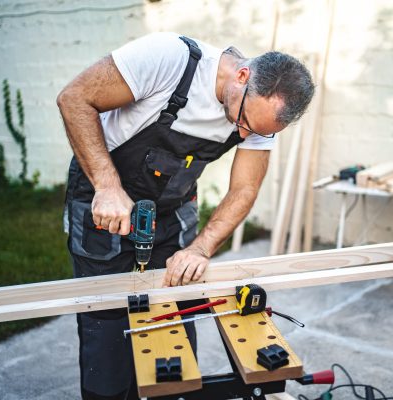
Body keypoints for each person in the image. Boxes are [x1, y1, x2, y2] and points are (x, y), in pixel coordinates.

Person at [57, 31, 314, 399]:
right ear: (242, 76)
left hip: (173, 205)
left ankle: (172, 391)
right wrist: (107, 186)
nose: (242, 133)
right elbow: (74, 98)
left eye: (252, 132)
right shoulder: (169, 60)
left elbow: (244, 189)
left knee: (176, 307)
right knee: (105, 316)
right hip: (104, 195)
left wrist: (201, 248)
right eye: (242, 120)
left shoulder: (259, 116)